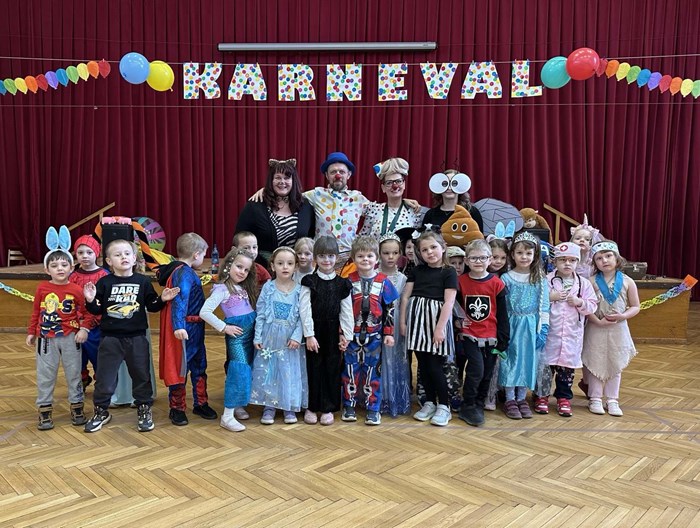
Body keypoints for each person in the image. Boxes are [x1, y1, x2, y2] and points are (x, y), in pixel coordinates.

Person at [82, 240, 180, 433]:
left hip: (137, 338)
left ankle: (144, 408)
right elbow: (96, 310)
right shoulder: (105, 282)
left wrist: (162, 299)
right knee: (105, 378)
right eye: (118, 255)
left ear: (134, 258)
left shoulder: (142, 282)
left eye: (127, 254)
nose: (123, 257)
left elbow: (152, 305)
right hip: (110, 339)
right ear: (109, 261)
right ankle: (101, 411)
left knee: (141, 375)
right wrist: (90, 300)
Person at [27, 238, 91, 430]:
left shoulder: (76, 289)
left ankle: (77, 407)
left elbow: (86, 313)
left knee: (74, 373)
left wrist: (84, 329)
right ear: (47, 270)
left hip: (71, 337)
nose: (60, 269)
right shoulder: (42, 288)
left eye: (64, 265)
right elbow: (36, 312)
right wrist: (31, 332)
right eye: (54, 266)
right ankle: (45, 410)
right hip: (46, 338)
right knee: (45, 374)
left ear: (71, 267)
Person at [158, 233, 218, 426]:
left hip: (196, 328)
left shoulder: (186, 272)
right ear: (196, 254)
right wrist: (178, 326)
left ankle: (201, 403)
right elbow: (180, 299)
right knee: (181, 367)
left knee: (199, 366)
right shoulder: (183, 273)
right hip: (186, 329)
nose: (203, 258)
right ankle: (177, 408)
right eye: (203, 255)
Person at [401, 230, 458, 427]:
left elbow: (449, 302)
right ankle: (430, 402)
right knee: (423, 366)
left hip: (435, 324)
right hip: (417, 324)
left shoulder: (449, 272)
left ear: (443, 247)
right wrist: (403, 322)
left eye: (433, 247)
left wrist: (440, 328)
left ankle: (444, 405)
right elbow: (405, 297)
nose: (430, 252)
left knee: (435, 366)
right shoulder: (417, 271)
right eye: (424, 250)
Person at [533, 243, 597, 417]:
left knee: (566, 370)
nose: (567, 264)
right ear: (554, 262)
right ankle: (541, 396)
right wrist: (550, 297)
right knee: (545, 368)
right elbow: (535, 302)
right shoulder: (546, 281)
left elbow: (592, 305)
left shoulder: (583, 284)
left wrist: (580, 302)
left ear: (577, 262)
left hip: (571, 335)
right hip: (550, 334)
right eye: (562, 260)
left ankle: (563, 398)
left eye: (572, 260)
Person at [341, 236, 399, 425]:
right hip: (351, 335)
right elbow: (341, 310)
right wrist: (342, 333)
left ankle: (373, 408)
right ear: (353, 258)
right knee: (350, 370)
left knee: (373, 371)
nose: (365, 259)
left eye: (369, 256)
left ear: (377, 258)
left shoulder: (384, 282)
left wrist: (388, 333)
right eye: (360, 256)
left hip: (375, 336)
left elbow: (390, 308)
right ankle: (349, 405)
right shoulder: (348, 281)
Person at [199, 248, 259, 432]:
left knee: (247, 370)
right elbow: (204, 312)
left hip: (250, 336)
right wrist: (224, 327)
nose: (242, 272)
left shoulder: (244, 288)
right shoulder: (222, 289)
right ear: (229, 265)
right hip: (237, 338)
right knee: (238, 372)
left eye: (246, 269)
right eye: (239, 267)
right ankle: (227, 416)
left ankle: (238, 405)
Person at [299, 236, 354, 425]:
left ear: (337, 257)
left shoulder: (343, 284)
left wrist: (346, 335)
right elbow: (304, 309)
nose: (326, 260)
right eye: (322, 256)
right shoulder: (309, 281)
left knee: (332, 368)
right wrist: (309, 335)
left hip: (332, 331)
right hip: (314, 331)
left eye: (330, 256)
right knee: (313, 368)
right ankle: (312, 406)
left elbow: (346, 312)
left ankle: (328, 407)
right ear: (315, 258)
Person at [582, 241, 640, 417]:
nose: (604, 261)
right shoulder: (590, 282)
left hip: (618, 328)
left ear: (617, 258)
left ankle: (612, 399)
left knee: (616, 362)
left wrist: (622, 316)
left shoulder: (628, 282)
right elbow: (585, 307)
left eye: (608, 256)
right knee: (595, 361)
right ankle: (595, 398)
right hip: (595, 327)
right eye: (599, 258)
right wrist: (596, 321)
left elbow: (635, 306)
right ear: (594, 262)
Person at [251, 247, 308, 424]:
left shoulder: (300, 289)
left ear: (295, 267)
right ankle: (270, 406)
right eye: (280, 263)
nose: (285, 267)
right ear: (272, 266)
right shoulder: (268, 288)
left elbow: (302, 317)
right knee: (270, 371)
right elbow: (261, 313)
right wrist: (257, 336)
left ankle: (288, 406)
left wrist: (297, 336)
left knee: (289, 372)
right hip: (270, 337)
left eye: (290, 263)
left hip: (290, 340)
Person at [457, 239, 510, 427]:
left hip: (491, 337)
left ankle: (478, 404)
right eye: (474, 258)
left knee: (487, 372)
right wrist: (457, 322)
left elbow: (502, 314)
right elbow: (455, 307)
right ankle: (468, 404)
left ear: (489, 260)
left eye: (482, 258)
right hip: (469, 334)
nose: (478, 261)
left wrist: (503, 339)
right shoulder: (461, 282)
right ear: (466, 260)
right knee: (476, 370)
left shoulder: (497, 284)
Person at [498, 232, 550, 420]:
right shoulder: (506, 278)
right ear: (512, 255)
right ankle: (510, 399)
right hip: (511, 324)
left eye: (528, 253)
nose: (524, 257)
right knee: (510, 360)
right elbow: (501, 306)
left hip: (530, 326)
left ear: (535, 255)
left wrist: (543, 328)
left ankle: (521, 398)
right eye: (520, 253)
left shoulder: (539, 278)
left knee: (527, 361)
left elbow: (544, 305)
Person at [235, 159, 315, 266]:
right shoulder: (255, 205)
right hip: (262, 268)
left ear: (293, 180)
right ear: (271, 180)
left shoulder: (305, 206)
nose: (282, 181)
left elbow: (311, 237)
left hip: (297, 269)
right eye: (277, 178)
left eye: (287, 178)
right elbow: (239, 238)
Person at [68, 235, 108, 390]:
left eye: (89, 252)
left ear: (96, 253)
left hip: (97, 325)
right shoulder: (73, 277)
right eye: (80, 253)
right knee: (77, 356)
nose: (85, 256)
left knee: (98, 355)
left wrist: (91, 322)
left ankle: (102, 382)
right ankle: (82, 379)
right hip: (76, 324)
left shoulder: (104, 275)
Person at [378, 233, 411, 416]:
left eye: (395, 253)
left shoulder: (403, 279)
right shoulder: (374, 275)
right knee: (379, 358)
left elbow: (404, 303)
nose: (390, 257)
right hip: (377, 321)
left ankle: (395, 398)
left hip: (396, 322)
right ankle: (379, 398)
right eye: (386, 253)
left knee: (396, 358)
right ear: (379, 253)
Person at [358, 157, 425, 238]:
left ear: (404, 184)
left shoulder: (414, 212)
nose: (395, 186)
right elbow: (362, 239)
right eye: (389, 183)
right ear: (383, 188)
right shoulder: (373, 210)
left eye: (398, 181)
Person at [482, 237, 511, 411]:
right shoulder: (479, 275)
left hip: (503, 323)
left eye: (502, 258)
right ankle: (487, 394)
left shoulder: (506, 277)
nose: (498, 261)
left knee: (500, 360)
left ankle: (499, 391)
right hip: (483, 325)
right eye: (494, 257)